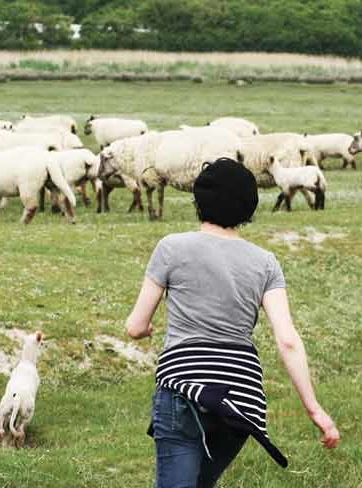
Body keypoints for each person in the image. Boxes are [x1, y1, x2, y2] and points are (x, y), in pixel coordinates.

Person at [125, 158, 340, 487]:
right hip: (241, 397)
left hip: (184, 383)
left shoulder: (171, 248)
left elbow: (135, 326)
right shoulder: (265, 263)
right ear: (249, 207)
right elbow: (288, 340)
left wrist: (146, 330)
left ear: (198, 201)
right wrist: (314, 409)